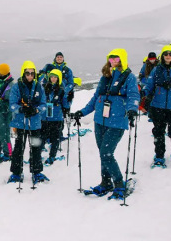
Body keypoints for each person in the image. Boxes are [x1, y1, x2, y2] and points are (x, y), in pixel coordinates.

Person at [72, 49, 140, 197]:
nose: (114, 61)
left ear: (122, 59)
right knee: (104, 154)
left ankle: (119, 183)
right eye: (111, 59)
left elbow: (134, 95)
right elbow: (96, 98)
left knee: (106, 153)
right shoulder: (105, 76)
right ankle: (106, 181)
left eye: (116, 58)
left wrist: (132, 109)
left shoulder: (129, 77)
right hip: (100, 121)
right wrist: (82, 112)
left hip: (116, 122)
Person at [8, 61, 48, 184]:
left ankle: (37, 171)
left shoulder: (39, 87)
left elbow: (44, 104)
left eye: (32, 73)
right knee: (19, 147)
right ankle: (16, 172)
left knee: (36, 147)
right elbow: (12, 104)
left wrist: (36, 110)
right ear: (23, 73)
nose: (30, 76)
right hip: (21, 123)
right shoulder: (16, 87)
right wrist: (21, 109)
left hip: (34, 123)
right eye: (27, 73)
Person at [40, 52, 75, 140]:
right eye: (58, 57)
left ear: (63, 59)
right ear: (55, 58)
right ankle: (49, 136)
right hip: (52, 94)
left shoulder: (67, 70)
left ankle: (58, 134)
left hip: (63, 95)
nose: (59, 58)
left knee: (61, 114)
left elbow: (71, 83)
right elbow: (44, 79)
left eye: (61, 57)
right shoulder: (51, 68)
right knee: (49, 115)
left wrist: (64, 91)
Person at [41, 69, 70, 165]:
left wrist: (68, 101)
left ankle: (52, 156)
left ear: (59, 78)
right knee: (42, 137)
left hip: (57, 117)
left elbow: (66, 104)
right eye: (51, 77)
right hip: (45, 117)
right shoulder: (45, 88)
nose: (53, 79)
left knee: (55, 138)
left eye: (55, 77)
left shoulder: (62, 90)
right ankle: (37, 155)